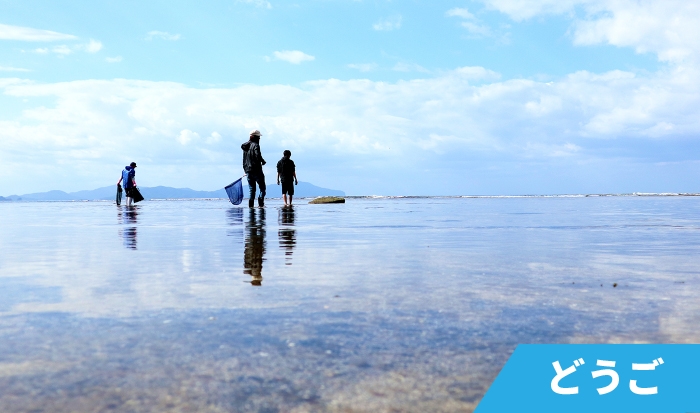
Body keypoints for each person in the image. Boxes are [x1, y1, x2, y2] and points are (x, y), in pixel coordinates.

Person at [241, 129, 267, 208]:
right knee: (262, 188)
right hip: (257, 170)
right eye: (259, 137)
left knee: (252, 189)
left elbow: (244, 160)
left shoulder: (245, 147)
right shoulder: (256, 145)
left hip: (248, 171)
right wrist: (263, 161)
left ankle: (251, 206)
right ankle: (261, 203)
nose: (259, 139)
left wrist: (245, 170)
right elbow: (257, 155)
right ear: (255, 137)